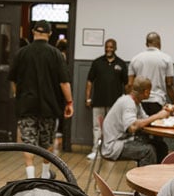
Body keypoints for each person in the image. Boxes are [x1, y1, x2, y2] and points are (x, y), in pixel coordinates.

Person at [8, 20, 73, 179]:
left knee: (28, 142)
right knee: (47, 142)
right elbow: (64, 82)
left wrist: (19, 95)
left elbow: (13, 80)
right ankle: (45, 175)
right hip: (49, 107)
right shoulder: (55, 54)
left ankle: (30, 177)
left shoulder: (21, 53)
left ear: (33, 32)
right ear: (49, 34)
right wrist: (69, 102)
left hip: (26, 106)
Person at [100, 76, 172, 166]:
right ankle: (144, 179)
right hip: (114, 146)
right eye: (150, 91)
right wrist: (158, 115)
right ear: (146, 92)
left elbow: (146, 120)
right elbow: (132, 127)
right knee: (148, 151)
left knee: (161, 146)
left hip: (124, 140)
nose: (150, 93)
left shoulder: (136, 102)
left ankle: (157, 176)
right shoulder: (128, 103)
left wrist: (161, 113)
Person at [85, 38, 128, 160]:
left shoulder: (121, 63)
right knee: (97, 127)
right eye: (107, 47)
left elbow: (126, 85)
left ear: (115, 48)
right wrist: (87, 98)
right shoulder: (97, 62)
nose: (108, 49)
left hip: (115, 104)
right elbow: (89, 81)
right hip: (98, 101)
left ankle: (110, 151)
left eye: (111, 47)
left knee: (112, 128)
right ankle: (96, 151)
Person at [128, 32, 174, 115]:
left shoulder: (135, 59)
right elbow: (169, 84)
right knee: (155, 127)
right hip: (157, 101)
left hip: (139, 101)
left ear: (146, 44)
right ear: (159, 43)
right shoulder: (166, 59)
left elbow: (130, 84)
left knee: (140, 127)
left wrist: (130, 102)